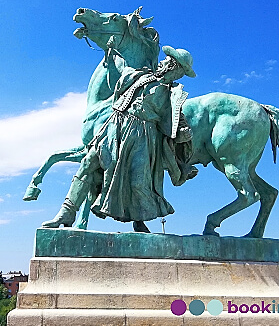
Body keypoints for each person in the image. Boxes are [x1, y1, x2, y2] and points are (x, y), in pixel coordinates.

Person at [42, 46, 197, 232]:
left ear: (175, 67)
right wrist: (113, 48)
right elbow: (122, 69)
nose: (162, 61)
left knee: (139, 182)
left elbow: (173, 124)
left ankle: (140, 222)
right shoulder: (141, 75)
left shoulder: (173, 94)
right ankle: (66, 213)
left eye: (167, 60)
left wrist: (182, 135)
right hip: (115, 125)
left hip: (142, 135)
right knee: (88, 164)